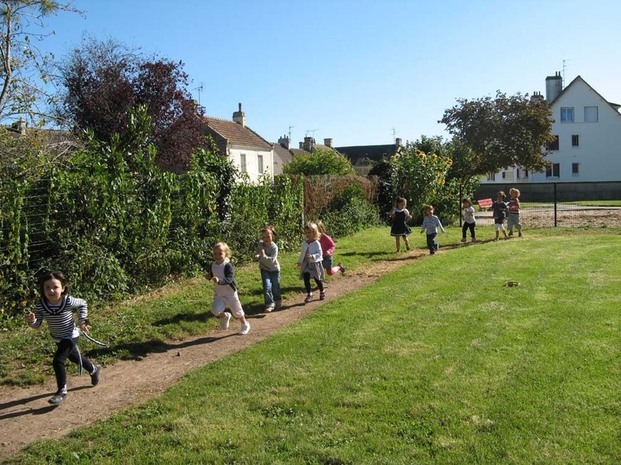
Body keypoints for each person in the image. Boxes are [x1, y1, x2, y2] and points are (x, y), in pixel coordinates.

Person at [26, 271, 101, 405]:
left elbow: (82, 303)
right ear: (43, 289)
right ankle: (93, 369)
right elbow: (37, 325)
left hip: (71, 335)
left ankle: (62, 391)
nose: (51, 290)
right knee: (73, 357)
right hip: (57, 338)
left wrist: (82, 320)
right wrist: (32, 321)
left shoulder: (67, 301)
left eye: (55, 287)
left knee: (58, 360)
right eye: (47, 287)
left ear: (63, 288)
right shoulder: (41, 304)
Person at [207, 242, 250, 335]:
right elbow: (212, 273)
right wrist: (209, 276)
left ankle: (244, 324)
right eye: (215, 253)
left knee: (237, 311)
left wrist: (219, 281)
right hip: (219, 293)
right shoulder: (212, 265)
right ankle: (225, 316)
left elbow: (229, 279)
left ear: (226, 253)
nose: (217, 256)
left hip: (230, 293)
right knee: (215, 310)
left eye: (220, 253)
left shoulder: (227, 266)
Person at [254, 226, 281, 312]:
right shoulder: (261, 244)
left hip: (274, 269)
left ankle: (277, 300)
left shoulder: (274, 247)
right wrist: (256, 256)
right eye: (263, 237)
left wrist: (263, 256)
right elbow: (257, 253)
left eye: (268, 236)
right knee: (267, 285)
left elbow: (272, 260)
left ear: (272, 236)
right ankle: (269, 304)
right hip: (264, 269)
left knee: (275, 286)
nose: (265, 239)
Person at [297, 222, 325, 303]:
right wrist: (300, 261)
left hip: (315, 264)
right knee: (306, 278)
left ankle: (322, 291)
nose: (307, 234)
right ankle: (309, 294)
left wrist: (313, 256)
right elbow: (302, 253)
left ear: (314, 232)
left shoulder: (316, 243)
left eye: (309, 232)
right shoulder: (305, 243)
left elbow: (320, 254)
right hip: (307, 264)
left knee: (317, 279)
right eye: (306, 233)